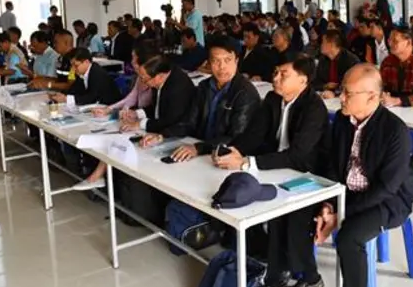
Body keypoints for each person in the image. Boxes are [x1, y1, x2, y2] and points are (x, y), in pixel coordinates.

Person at [217, 53, 330, 287]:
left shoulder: (314, 107)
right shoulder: (272, 99)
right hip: (278, 168)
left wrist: (249, 163)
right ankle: (278, 269)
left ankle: (311, 279)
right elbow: (254, 134)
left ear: (303, 80)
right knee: (252, 198)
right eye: (276, 72)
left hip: (309, 175)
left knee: (291, 211)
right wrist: (234, 150)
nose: (276, 78)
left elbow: (299, 155)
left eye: (283, 74)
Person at [314, 64, 413, 287]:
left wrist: (342, 213)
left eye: (347, 93)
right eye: (341, 91)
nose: (341, 98)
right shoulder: (342, 121)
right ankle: (304, 278)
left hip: (386, 201)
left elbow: (386, 188)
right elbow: (332, 166)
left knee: (349, 237)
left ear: (372, 97)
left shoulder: (395, 131)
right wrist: (328, 204)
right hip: (346, 193)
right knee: (300, 210)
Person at [74, 54, 194, 191]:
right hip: (160, 129)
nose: (143, 82)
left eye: (145, 79)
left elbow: (170, 120)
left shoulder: (177, 87)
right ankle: (102, 181)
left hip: (176, 134)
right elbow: (156, 108)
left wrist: (140, 124)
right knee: (119, 142)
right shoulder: (160, 79)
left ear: (159, 76)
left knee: (130, 147)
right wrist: (136, 114)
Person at [155, 35, 261, 161]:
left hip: (225, 155)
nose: (222, 67)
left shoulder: (246, 93)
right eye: (216, 61)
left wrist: (198, 148)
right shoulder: (204, 87)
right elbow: (189, 122)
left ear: (236, 61)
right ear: (209, 62)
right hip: (200, 150)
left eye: (227, 60)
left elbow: (235, 137)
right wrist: (162, 135)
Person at [49, 48, 122, 106]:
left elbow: (91, 97)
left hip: (110, 108)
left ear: (86, 62)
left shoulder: (97, 73)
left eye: (76, 65)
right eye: (72, 66)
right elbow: (75, 89)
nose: (73, 69)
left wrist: (66, 99)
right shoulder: (81, 72)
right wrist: (62, 95)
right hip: (97, 107)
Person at [313, 30, 359, 98]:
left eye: (323, 42)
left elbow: (353, 84)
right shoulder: (323, 60)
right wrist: (325, 86)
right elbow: (315, 82)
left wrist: (335, 93)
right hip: (324, 95)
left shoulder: (351, 60)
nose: (321, 45)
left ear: (331, 45)